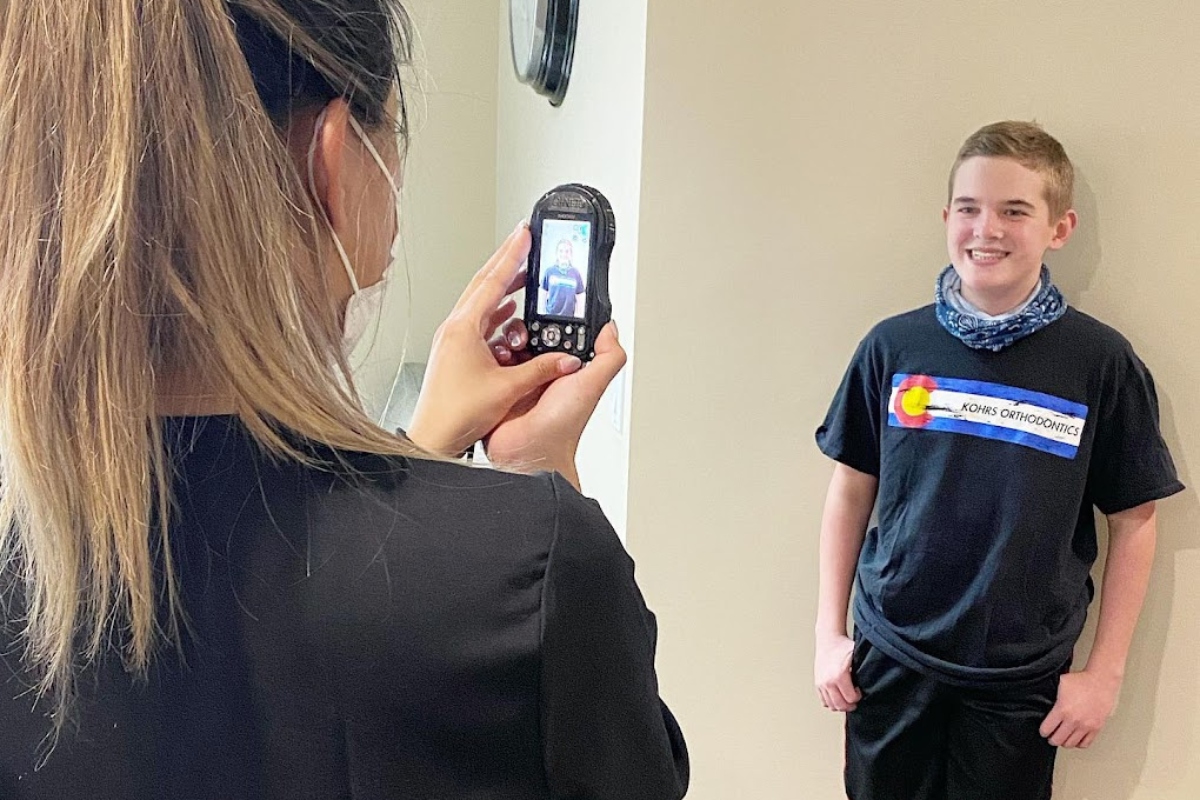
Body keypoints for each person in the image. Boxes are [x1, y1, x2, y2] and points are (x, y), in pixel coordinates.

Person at [0, 2, 688, 798]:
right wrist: (535, 476)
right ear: (334, 158)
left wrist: (420, 448)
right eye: (392, 133)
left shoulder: (29, 583)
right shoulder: (535, 567)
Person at [813, 120, 1183, 800]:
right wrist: (827, 633)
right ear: (946, 216)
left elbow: (1136, 521)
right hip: (890, 657)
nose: (988, 229)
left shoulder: (1099, 364)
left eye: (1016, 210)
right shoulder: (893, 348)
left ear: (1059, 228)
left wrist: (1104, 676)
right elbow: (849, 490)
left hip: (1019, 678)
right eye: (969, 208)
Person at [540, 239, 586, 317]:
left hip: (569, 317)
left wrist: (577, 316)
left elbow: (580, 297)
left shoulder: (575, 273)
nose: (564, 254)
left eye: (567, 251)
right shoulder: (549, 271)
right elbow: (542, 294)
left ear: (571, 254)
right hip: (551, 315)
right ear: (557, 253)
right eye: (561, 251)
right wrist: (542, 313)